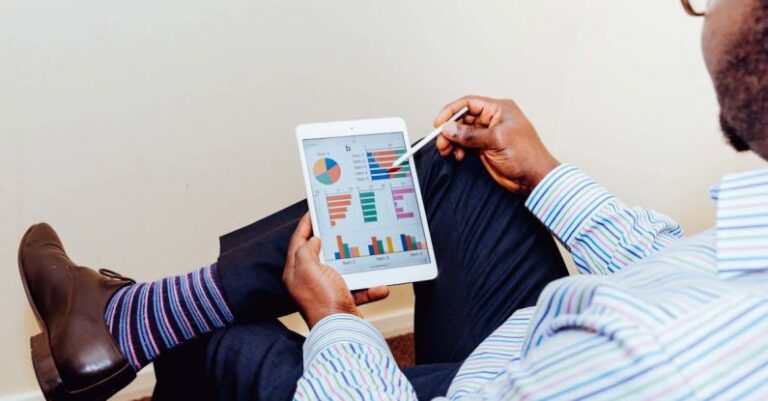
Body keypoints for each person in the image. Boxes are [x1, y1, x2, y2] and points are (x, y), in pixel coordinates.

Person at [16, 0, 768, 399]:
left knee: (219, 342)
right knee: (457, 165)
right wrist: (544, 173)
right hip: (534, 359)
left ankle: (131, 322)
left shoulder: (660, 366)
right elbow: (684, 269)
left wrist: (337, 323)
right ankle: (113, 321)